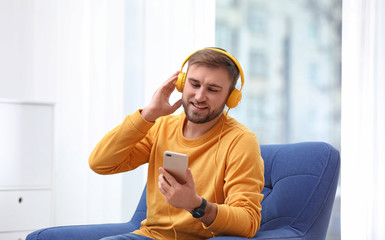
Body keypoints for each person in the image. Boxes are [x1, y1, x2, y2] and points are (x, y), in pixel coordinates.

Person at [89, 48, 265, 240]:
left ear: (231, 98)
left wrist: (196, 205)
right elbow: (101, 163)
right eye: (194, 84)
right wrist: (148, 114)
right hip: (150, 236)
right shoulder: (161, 126)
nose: (199, 96)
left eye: (213, 89)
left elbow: (248, 221)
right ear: (180, 83)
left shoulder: (241, 141)